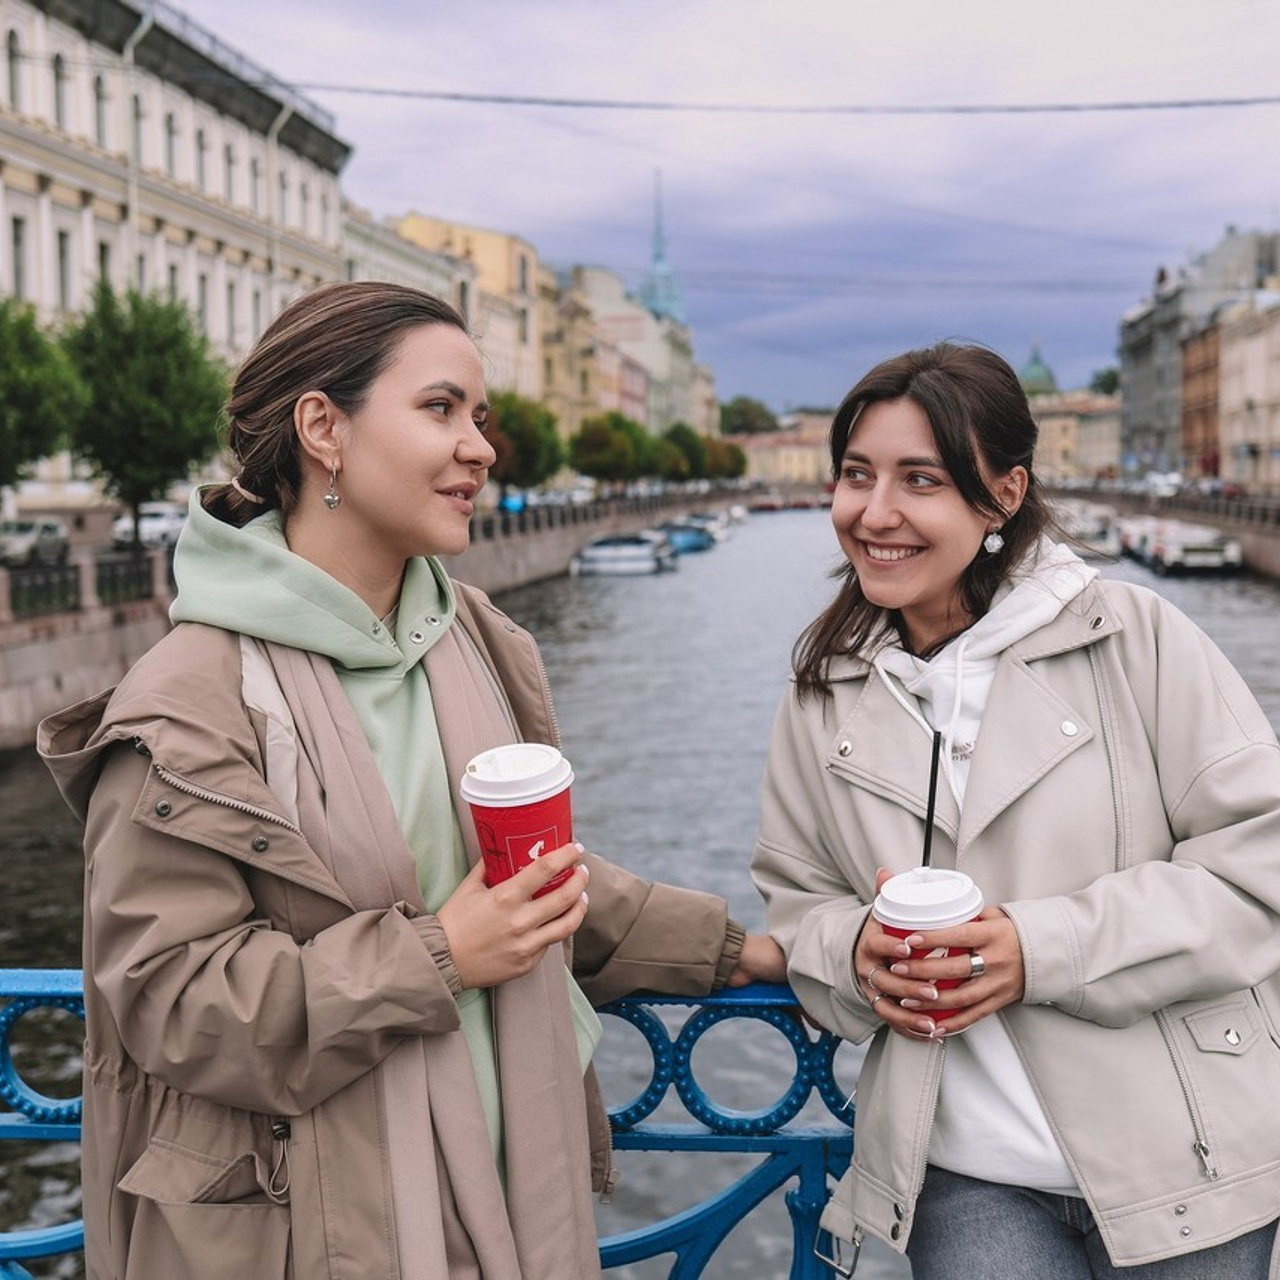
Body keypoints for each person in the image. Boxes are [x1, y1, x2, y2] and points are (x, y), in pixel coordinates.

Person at [38, 281, 784, 1280]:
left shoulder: (473, 637)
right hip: (310, 1222)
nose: (481, 445)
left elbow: (522, 881)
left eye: (478, 416)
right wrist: (438, 954)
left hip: (509, 1192)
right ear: (322, 429)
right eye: (440, 409)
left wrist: (738, 950)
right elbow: (173, 1002)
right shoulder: (191, 695)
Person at [749, 342, 1280, 1278]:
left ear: (1003, 495)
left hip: (1184, 1154)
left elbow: (1259, 869)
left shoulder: (1138, 637)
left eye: (921, 480)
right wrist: (857, 956)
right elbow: (798, 902)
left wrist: (1040, 949)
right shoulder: (823, 688)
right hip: (966, 1169)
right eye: (856, 475)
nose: (874, 514)